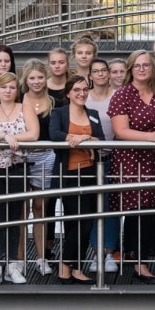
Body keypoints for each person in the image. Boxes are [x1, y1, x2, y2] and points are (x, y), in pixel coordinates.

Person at [107, 50, 155, 284]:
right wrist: (150, 137)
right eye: (137, 65)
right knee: (136, 209)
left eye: (146, 65)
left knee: (149, 209)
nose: (141, 69)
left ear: (152, 68)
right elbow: (120, 131)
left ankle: (149, 258)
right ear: (131, 69)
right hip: (129, 160)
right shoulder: (122, 95)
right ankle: (152, 258)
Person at [0, 72, 38, 286]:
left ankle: (12, 265)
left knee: (14, 218)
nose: (8, 91)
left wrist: (13, 138)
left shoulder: (25, 108)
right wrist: (5, 137)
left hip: (17, 167)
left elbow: (33, 134)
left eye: (12, 87)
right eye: (4, 87)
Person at [49, 75, 104, 284]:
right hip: (69, 174)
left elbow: (102, 139)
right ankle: (66, 265)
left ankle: (76, 268)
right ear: (68, 93)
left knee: (85, 223)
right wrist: (75, 138)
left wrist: (86, 138)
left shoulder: (93, 114)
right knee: (77, 223)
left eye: (85, 90)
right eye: (77, 90)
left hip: (90, 173)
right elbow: (54, 134)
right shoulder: (59, 113)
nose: (82, 93)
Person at [17, 59, 56, 276]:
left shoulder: (53, 102)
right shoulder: (18, 100)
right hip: (22, 157)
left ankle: (42, 258)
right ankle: (19, 259)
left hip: (45, 157)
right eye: (32, 78)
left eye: (40, 77)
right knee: (22, 210)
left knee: (40, 208)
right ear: (26, 80)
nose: (36, 81)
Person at [86, 59, 120, 272]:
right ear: (90, 75)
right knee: (92, 207)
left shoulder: (118, 95)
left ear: (108, 73)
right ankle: (95, 252)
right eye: (95, 71)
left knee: (111, 207)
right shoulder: (84, 96)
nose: (99, 74)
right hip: (90, 159)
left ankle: (109, 252)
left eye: (103, 70)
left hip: (113, 157)